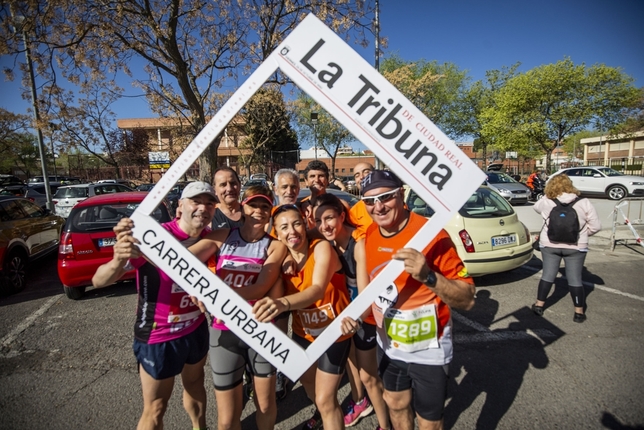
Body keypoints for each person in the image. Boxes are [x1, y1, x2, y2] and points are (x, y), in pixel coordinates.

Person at [92, 181, 217, 430]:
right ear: (180, 206)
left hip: (196, 328)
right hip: (158, 336)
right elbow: (99, 280)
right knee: (156, 407)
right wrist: (118, 258)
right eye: (196, 201)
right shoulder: (152, 237)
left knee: (195, 385)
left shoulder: (211, 240)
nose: (203, 207)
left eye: (209, 203)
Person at [361, 170, 476, 430]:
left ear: (401, 194)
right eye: (369, 201)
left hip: (429, 349)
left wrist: (428, 276)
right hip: (389, 344)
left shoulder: (432, 234)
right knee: (395, 403)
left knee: (429, 420)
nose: (378, 207)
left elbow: (468, 299)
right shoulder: (369, 234)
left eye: (386, 197)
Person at [189, 184, 287, 430]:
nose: (259, 210)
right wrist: (194, 286)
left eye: (265, 206)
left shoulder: (275, 245)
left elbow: (261, 287)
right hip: (224, 330)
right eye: (254, 204)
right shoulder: (223, 235)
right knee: (227, 418)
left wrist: (214, 296)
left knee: (265, 406)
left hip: (261, 331)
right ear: (243, 207)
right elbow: (184, 258)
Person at [253, 205, 351, 430]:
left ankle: (327, 414)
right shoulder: (280, 260)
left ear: (306, 224)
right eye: (284, 227)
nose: (292, 231)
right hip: (303, 333)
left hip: (334, 333)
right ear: (276, 233)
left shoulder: (322, 248)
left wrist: (282, 303)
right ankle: (321, 415)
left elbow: (317, 289)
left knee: (327, 399)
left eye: (296, 223)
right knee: (310, 387)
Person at [312, 194, 391, 430]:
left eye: (329, 218)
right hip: (346, 314)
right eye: (318, 220)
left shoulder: (359, 242)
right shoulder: (327, 238)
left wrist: (353, 317)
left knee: (368, 375)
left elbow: (366, 295)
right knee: (351, 361)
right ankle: (360, 402)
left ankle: (386, 425)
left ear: (342, 216)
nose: (324, 225)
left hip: (365, 314)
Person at [531, 174, 600, 323]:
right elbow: (596, 226)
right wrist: (579, 234)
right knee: (575, 279)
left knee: (548, 275)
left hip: (549, 244)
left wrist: (545, 196)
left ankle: (539, 305)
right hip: (576, 245)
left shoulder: (546, 201)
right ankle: (579, 312)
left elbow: (535, 208)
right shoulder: (583, 202)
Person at [300, 160, 350, 229]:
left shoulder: (342, 205)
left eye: (321, 176)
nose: (317, 180)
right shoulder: (300, 208)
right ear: (306, 181)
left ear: (327, 180)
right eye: (312, 176)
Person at [348, 162, 374, 236]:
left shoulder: (391, 202)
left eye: (366, 172)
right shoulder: (354, 212)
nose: (362, 177)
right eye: (357, 175)